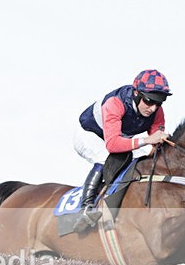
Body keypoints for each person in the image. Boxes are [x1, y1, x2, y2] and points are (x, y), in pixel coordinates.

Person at [72, 69, 172, 232]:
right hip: (90, 134)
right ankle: (86, 208)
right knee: (106, 158)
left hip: (118, 136)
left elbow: (156, 143)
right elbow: (112, 145)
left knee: (139, 161)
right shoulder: (115, 103)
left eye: (158, 103)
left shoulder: (156, 111)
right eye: (149, 101)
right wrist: (147, 140)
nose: (153, 108)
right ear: (136, 93)